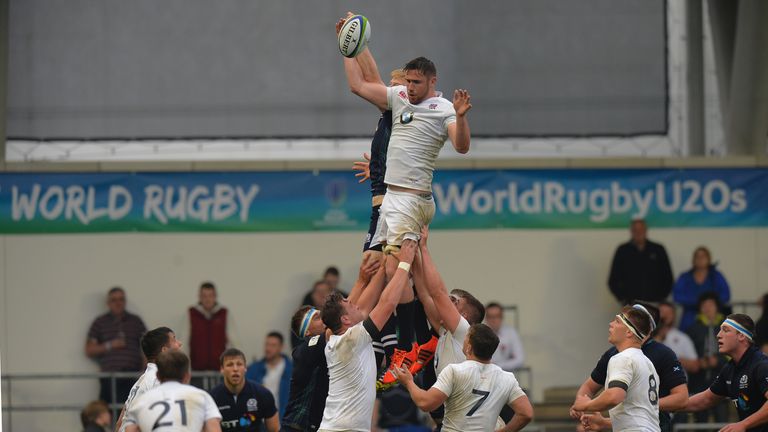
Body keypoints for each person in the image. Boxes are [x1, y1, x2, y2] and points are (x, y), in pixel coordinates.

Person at [337, 13, 472, 283]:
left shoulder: (443, 109)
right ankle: (398, 324)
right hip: (393, 197)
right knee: (385, 270)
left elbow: (461, 146)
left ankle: (410, 326)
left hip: (410, 198)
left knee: (393, 271)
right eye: (406, 82)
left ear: (433, 82)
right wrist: (346, 46)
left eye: (415, 83)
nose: (408, 88)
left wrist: (461, 117)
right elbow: (359, 85)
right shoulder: (398, 100)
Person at [318, 239, 416, 431]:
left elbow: (363, 308)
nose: (356, 304)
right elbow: (386, 305)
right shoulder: (351, 339)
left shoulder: (337, 339)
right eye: (350, 304)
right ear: (346, 320)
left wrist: (384, 265)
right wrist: (404, 263)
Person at [393, 323, 533, 432]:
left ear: (469, 348)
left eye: (466, 336)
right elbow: (526, 413)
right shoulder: (507, 377)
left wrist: (409, 382)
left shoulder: (455, 371)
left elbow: (425, 403)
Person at [571, 304, 688, 432]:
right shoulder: (646, 362)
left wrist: (586, 405)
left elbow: (614, 396)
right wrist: (604, 422)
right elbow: (639, 415)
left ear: (628, 332)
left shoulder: (623, 358)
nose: (611, 324)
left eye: (617, 321)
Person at [682, 314, 768, 432]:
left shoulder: (761, 365)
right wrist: (668, 405)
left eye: (725, 330)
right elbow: (706, 399)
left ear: (741, 336)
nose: (718, 335)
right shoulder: (730, 368)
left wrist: (743, 424)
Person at [124, 351, 222, 432]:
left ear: (157, 375)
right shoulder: (202, 397)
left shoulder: (141, 401)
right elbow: (214, 429)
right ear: (187, 376)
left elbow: (129, 429)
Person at [85, 286, 147, 404]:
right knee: (109, 414)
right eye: (114, 300)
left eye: (121, 299)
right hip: (109, 378)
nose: (118, 303)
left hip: (133, 377)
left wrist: (145, 371)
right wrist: (110, 345)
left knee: (130, 414)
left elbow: (147, 347)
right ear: (108, 303)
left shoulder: (135, 321)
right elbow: (89, 349)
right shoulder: (100, 322)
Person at [115, 327, 184, 432]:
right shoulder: (159, 380)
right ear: (165, 350)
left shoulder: (141, 380)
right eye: (174, 340)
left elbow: (119, 423)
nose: (180, 343)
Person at [281, 305, 329, 432]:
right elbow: (341, 319)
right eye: (317, 318)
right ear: (307, 332)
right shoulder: (307, 347)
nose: (324, 318)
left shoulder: (328, 346)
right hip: (296, 427)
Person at [684, 292, 728, 424]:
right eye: (704, 305)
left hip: (723, 379)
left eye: (711, 304)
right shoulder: (692, 329)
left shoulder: (727, 327)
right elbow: (688, 352)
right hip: (699, 380)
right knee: (700, 420)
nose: (707, 308)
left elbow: (734, 351)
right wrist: (698, 362)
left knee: (721, 419)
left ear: (717, 307)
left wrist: (719, 361)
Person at [209, 348, 279, 432]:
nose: (235, 369)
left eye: (239, 364)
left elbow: (275, 430)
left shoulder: (262, 394)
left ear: (245, 368)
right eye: (230, 365)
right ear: (222, 369)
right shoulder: (212, 398)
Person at [608, 219, 674, 304]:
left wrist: (662, 297)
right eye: (635, 230)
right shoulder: (623, 250)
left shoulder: (658, 249)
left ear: (646, 230)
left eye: (641, 229)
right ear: (631, 231)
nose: (638, 232)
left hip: (655, 302)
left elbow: (668, 277)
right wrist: (623, 299)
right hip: (631, 304)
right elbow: (613, 280)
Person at [673, 246, 732, 331]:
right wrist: (698, 302)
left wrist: (710, 304)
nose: (700, 259)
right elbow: (677, 296)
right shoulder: (685, 277)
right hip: (690, 315)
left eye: (703, 256)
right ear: (693, 260)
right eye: (697, 256)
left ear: (709, 259)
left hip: (713, 316)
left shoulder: (716, 276)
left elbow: (726, 295)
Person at [187, 282, 238, 375]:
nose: (207, 299)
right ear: (199, 297)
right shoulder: (191, 314)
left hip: (220, 371)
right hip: (196, 371)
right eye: (204, 296)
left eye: (210, 295)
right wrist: (186, 369)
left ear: (215, 296)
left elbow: (234, 342)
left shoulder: (224, 314)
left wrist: (234, 367)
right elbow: (184, 342)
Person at [245, 331, 292, 419]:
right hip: (259, 419)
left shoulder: (291, 370)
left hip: (283, 419)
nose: (268, 348)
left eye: (273, 345)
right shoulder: (254, 369)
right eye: (267, 344)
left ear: (281, 347)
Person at [655, 302, 699, 376]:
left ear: (674, 316)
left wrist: (672, 359)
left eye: (668, 312)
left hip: (677, 384)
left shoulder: (683, 337)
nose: (665, 315)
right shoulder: (648, 335)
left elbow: (695, 366)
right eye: (662, 312)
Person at [484, 302, 525, 371]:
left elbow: (520, 359)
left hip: (506, 376)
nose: (493, 320)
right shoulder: (479, 334)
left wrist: (498, 366)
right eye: (490, 316)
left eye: (496, 316)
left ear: (502, 317)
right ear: (485, 318)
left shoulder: (511, 333)